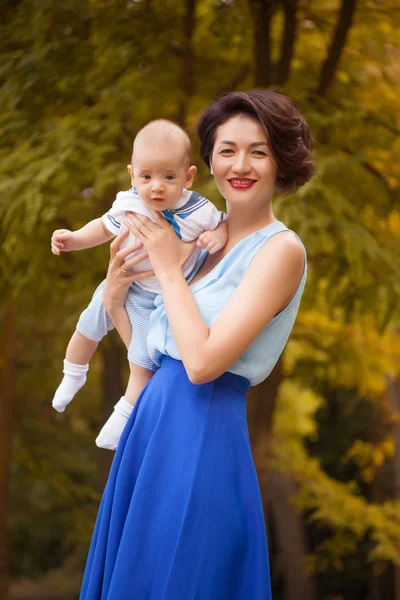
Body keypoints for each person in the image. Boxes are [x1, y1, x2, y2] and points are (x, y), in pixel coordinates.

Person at [79, 90, 315, 599]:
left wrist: (165, 265)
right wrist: (117, 299)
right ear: (206, 161)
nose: (241, 164)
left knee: (178, 576)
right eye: (227, 149)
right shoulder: (199, 245)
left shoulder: (280, 250)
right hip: (153, 421)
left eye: (259, 150)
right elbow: (155, 351)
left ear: (281, 161)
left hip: (201, 429)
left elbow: (204, 363)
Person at [50, 119, 228, 450]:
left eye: (168, 177)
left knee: (141, 358)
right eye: (146, 177)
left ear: (188, 177)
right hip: (123, 282)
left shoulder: (199, 210)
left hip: (160, 300)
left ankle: (123, 415)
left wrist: (214, 236)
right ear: (133, 175)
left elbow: (223, 225)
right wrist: (73, 239)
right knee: (87, 325)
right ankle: (72, 375)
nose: (156, 187)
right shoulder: (130, 201)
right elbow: (103, 228)